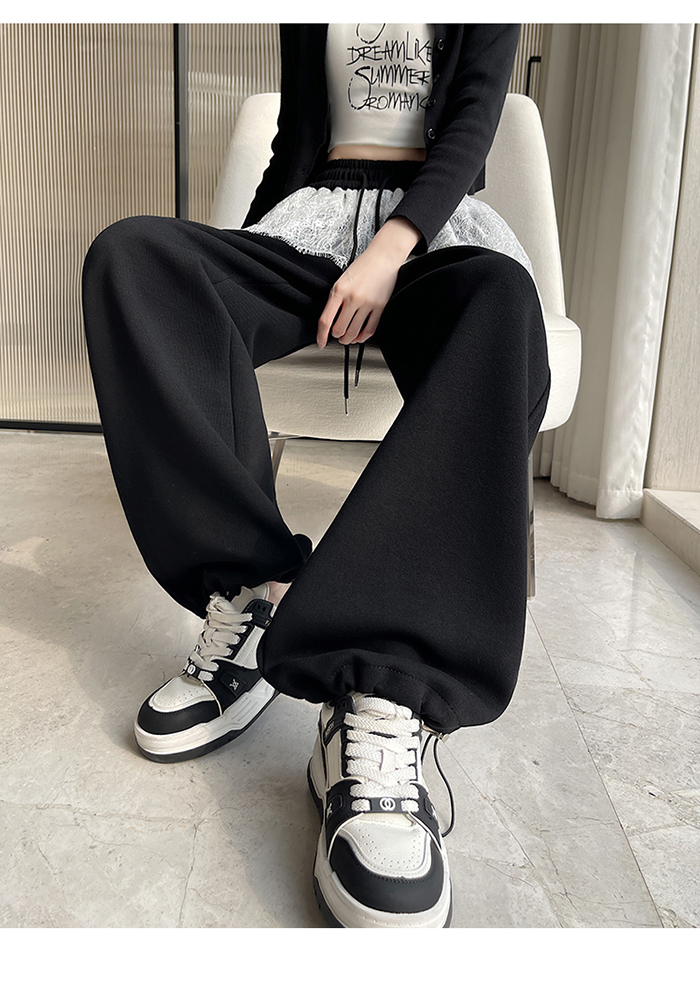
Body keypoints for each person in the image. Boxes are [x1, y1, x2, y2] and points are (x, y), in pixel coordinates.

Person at [82, 23, 551, 929]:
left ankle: (381, 685)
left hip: (434, 231)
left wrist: (392, 247)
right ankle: (250, 589)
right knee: (133, 255)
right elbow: (298, 138)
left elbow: (471, 123)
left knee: (501, 304)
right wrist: (235, 270)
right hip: (313, 228)